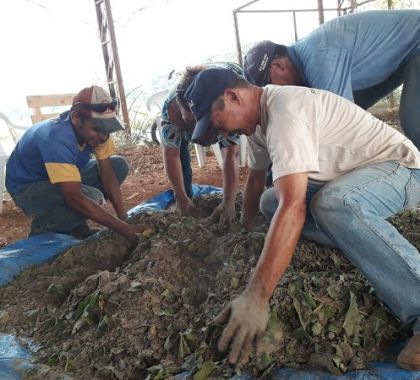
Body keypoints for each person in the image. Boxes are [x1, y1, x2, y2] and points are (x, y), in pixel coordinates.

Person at [184, 68, 420, 370]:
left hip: (401, 170)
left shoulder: (285, 110)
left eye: (220, 126)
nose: (225, 135)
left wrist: (257, 294)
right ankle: (360, 237)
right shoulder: (257, 125)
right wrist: (245, 231)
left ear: (232, 96)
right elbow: (256, 182)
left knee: (330, 204)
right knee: (272, 200)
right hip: (353, 177)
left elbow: (294, 207)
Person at [244, 9, 420, 149]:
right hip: (400, 57)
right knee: (348, 109)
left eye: (268, 85)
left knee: (414, 123)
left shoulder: (319, 61)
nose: (272, 92)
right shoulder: (306, 62)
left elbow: (343, 124)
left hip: (415, 43)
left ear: (278, 66)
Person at [6, 85, 148, 244]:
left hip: (56, 179)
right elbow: (74, 197)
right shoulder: (57, 137)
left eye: (106, 130)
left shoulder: (97, 133)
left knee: (118, 166)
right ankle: (43, 230)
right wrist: (124, 230)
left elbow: (107, 174)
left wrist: (124, 219)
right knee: (92, 197)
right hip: (27, 188)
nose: (102, 136)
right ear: (75, 118)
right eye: (96, 129)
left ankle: (74, 227)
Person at [159, 62, 242, 225]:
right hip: (185, 118)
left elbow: (231, 153)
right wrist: (180, 196)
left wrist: (229, 202)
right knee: (182, 172)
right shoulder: (171, 114)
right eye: (190, 120)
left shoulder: (226, 102)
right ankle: (185, 200)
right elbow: (171, 154)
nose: (196, 129)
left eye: (201, 122)